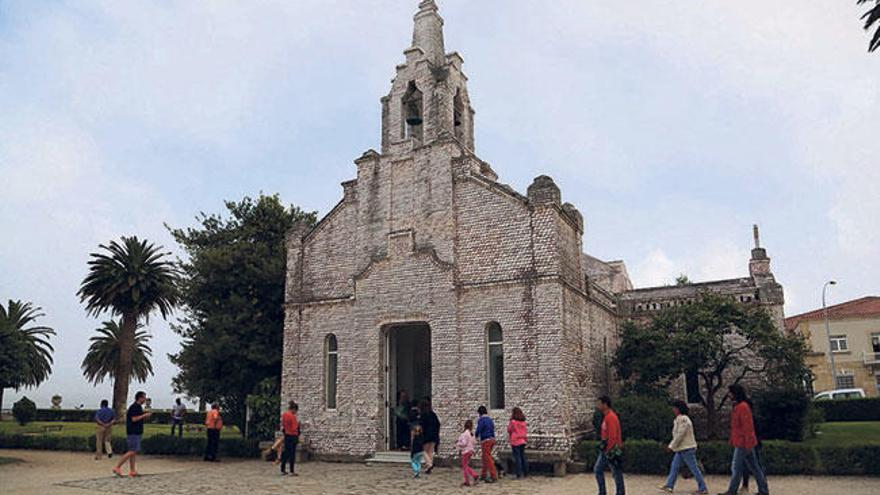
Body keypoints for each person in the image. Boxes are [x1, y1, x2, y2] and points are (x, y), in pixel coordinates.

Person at [719, 385, 769, 495]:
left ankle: (732, 491)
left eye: (730, 393)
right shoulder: (739, 406)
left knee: (736, 468)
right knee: (755, 467)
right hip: (743, 442)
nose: (729, 395)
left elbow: (747, 427)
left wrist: (748, 442)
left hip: (743, 442)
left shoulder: (742, 407)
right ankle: (763, 490)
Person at [658, 400, 708, 494]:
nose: (673, 410)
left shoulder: (683, 419)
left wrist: (671, 446)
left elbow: (680, 435)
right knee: (674, 467)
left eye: (674, 408)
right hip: (682, 448)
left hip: (686, 448)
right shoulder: (679, 419)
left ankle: (703, 488)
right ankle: (669, 485)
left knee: (693, 468)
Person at [112, 391, 151, 477]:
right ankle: (117, 467)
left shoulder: (138, 407)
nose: (145, 399)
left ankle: (132, 470)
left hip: (136, 432)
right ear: (140, 398)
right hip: (133, 432)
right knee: (132, 451)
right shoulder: (134, 407)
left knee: (133, 452)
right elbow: (134, 419)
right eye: (144, 397)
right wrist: (144, 416)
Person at [594, 395, 624, 495]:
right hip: (608, 448)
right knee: (615, 472)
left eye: (599, 403)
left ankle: (605, 492)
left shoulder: (610, 417)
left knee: (610, 471)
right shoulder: (607, 416)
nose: (597, 405)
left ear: (605, 404)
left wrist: (608, 450)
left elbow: (612, 436)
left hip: (610, 449)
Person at [741, 397, 764, 495]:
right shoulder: (751, 417)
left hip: (751, 443)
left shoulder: (751, 418)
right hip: (751, 443)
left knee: (754, 466)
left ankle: (761, 488)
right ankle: (748, 485)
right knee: (751, 466)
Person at [474, 405, 497, 483]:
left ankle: (493, 475)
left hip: (485, 440)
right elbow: (492, 428)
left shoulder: (481, 420)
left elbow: (479, 429)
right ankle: (483, 474)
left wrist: (475, 436)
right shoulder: (490, 419)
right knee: (484, 457)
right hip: (492, 439)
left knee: (487, 458)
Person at [419, 399, 440, 474]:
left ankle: (429, 464)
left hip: (426, 435)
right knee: (430, 451)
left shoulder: (423, 415)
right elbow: (438, 424)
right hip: (434, 435)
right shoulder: (433, 414)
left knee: (423, 451)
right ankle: (428, 468)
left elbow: (421, 426)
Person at [508, 407, 529, 479]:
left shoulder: (513, 422)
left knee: (517, 458)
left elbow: (509, 430)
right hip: (523, 440)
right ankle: (526, 472)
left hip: (515, 441)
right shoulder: (523, 422)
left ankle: (518, 473)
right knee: (522, 457)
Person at [280, 401, 300, 476]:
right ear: (294, 409)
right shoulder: (292, 416)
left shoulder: (284, 415)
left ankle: (282, 469)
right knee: (292, 454)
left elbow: (283, 425)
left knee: (285, 452)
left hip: (286, 435)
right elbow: (295, 427)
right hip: (293, 436)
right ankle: (292, 470)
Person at [457, 419, 478, 486]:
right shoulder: (471, 434)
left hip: (465, 451)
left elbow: (464, 443)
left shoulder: (464, 434)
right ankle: (474, 475)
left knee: (465, 467)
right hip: (471, 451)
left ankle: (468, 480)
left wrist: (458, 443)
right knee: (466, 465)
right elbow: (475, 442)